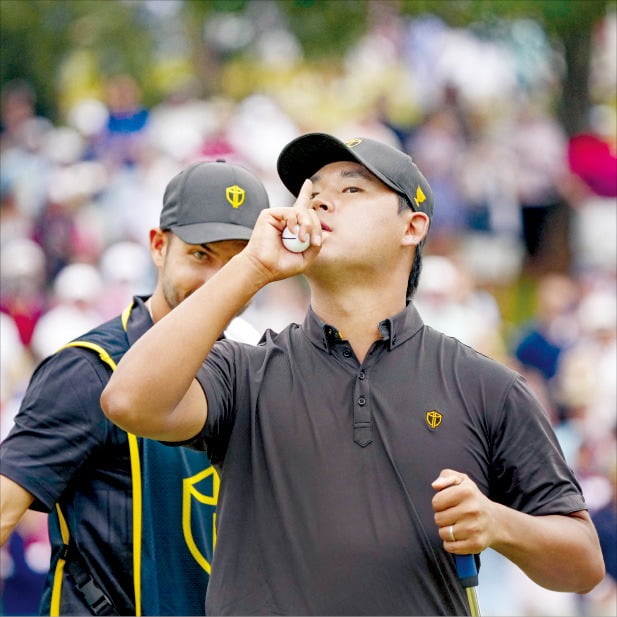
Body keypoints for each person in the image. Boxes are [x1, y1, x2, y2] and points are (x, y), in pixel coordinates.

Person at [101, 133, 605, 616]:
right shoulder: (243, 370)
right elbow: (128, 401)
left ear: (412, 227)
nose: (319, 203)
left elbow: (583, 564)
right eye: (312, 195)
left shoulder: (486, 386)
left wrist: (499, 524)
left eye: (351, 189)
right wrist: (252, 265)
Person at [0, 160, 270, 616]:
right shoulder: (89, 369)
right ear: (158, 247)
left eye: (239, 262)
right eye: (201, 255)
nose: (216, 283)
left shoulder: (255, 370)